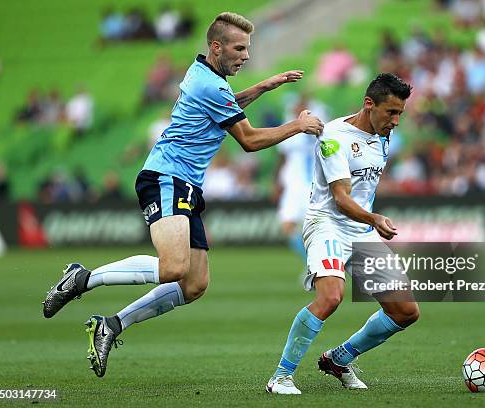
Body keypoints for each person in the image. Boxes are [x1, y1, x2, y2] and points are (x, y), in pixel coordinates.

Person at [42, 12, 324, 378]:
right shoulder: (212, 86)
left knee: (193, 284)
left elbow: (226, 106)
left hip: (186, 183)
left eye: (248, 49)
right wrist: (297, 126)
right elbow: (249, 140)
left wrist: (261, 88)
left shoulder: (201, 73)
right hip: (166, 177)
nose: (246, 56)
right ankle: (82, 278)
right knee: (173, 267)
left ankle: (110, 325)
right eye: (240, 48)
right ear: (216, 47)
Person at [265, 73, 419, 395]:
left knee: (405, 311)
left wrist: (369, 221)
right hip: (328, 224)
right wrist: (375, 218)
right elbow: (341, 198)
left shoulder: (383, 137)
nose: (396, 121)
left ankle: (339, 358)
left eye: (400, 113)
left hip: (361, 230)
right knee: (330, 297)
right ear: (368, 104)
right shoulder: (334, 136)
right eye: (391, 112)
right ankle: (280, 376)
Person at [274, 93, 327, 262]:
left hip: (310, 185)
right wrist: (277, 182)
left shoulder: (318, 127)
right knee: (287, 226)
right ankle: (312, 263)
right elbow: (282, 157)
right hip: (292, 185)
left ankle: (321, 263)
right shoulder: (289, 126)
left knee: (315, 229)